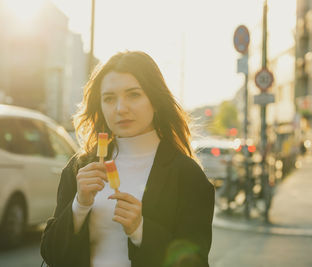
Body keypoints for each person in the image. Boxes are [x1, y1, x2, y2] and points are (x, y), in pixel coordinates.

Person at [40, 51, 215, 267]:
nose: (121, 108)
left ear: (155, 100)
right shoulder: (81, 167)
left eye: (133, 95)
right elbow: (51, 254)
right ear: (100, 106)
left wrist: (140, 230)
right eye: (109, 98)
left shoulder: (187, 175)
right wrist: (79, 206)